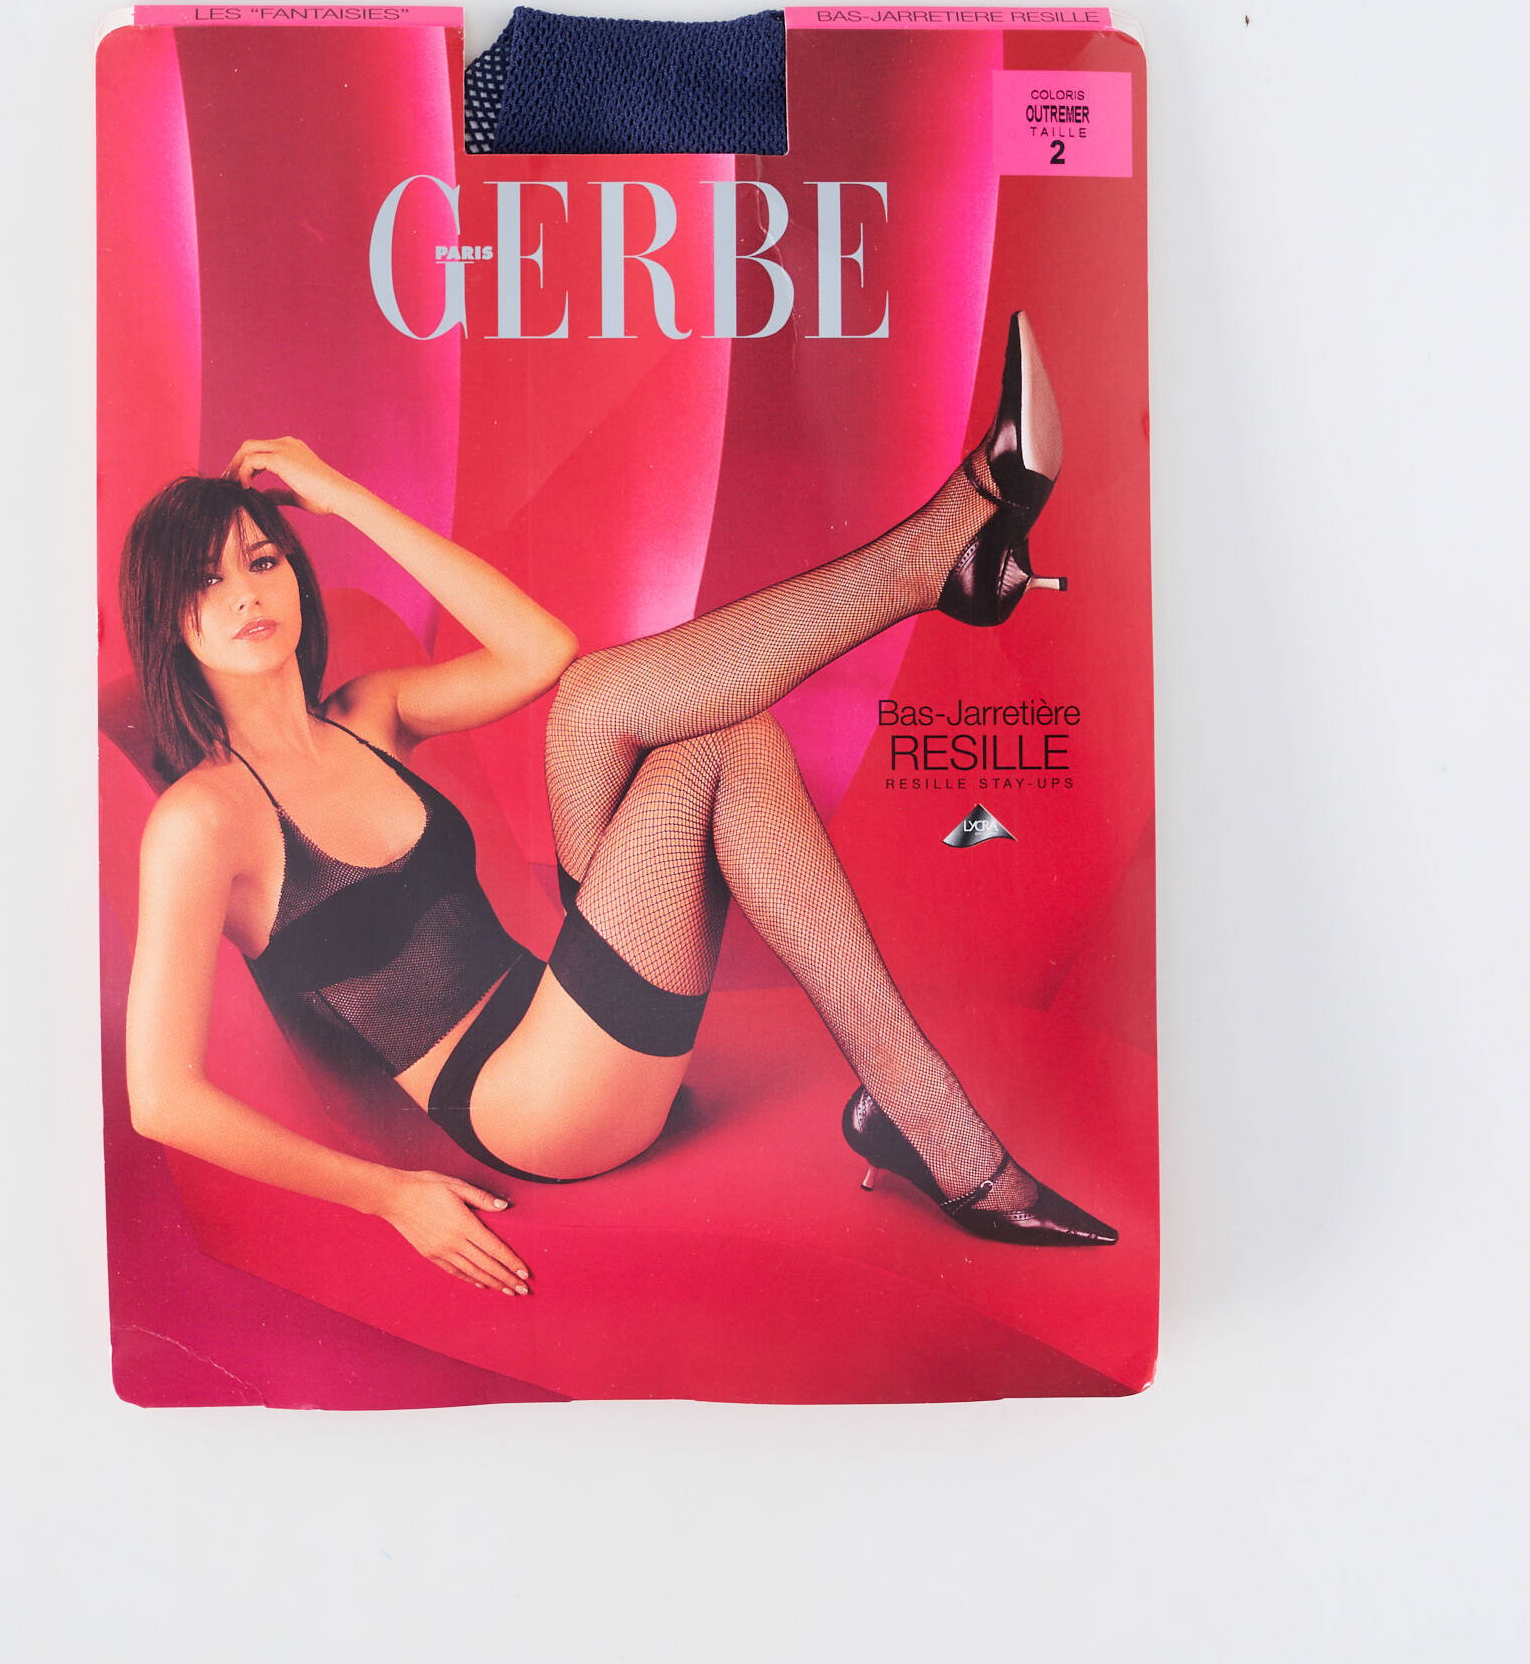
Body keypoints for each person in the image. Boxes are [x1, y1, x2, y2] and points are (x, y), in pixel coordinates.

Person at [120, 313, 1116, 1297]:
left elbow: (541, 652)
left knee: (599, 696)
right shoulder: (201, 823)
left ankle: (938, 561)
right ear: (171, 623)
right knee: (727, 737)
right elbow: (161, 1097)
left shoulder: (365, 713)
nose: (247, 594)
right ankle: (939, 558)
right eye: (209, 582)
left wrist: (343, 497)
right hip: (526, 1103)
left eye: (263, 560)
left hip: (574, 991)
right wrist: (389, 1197)